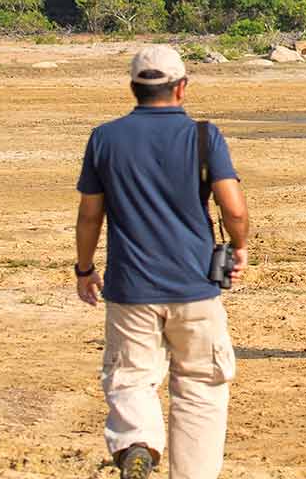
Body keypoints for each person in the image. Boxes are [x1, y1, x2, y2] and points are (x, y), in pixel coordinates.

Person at [74, 44, 250, 479]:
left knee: (131, 378)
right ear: (182, 88)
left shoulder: (105, 138)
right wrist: (240, 245)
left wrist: (84, 268)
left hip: (130, 288)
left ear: (133, 88)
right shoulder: (204, 137)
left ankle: (137, 441)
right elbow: (235, 210)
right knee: (200, 387)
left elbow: (90, 215)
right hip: (195, 287)